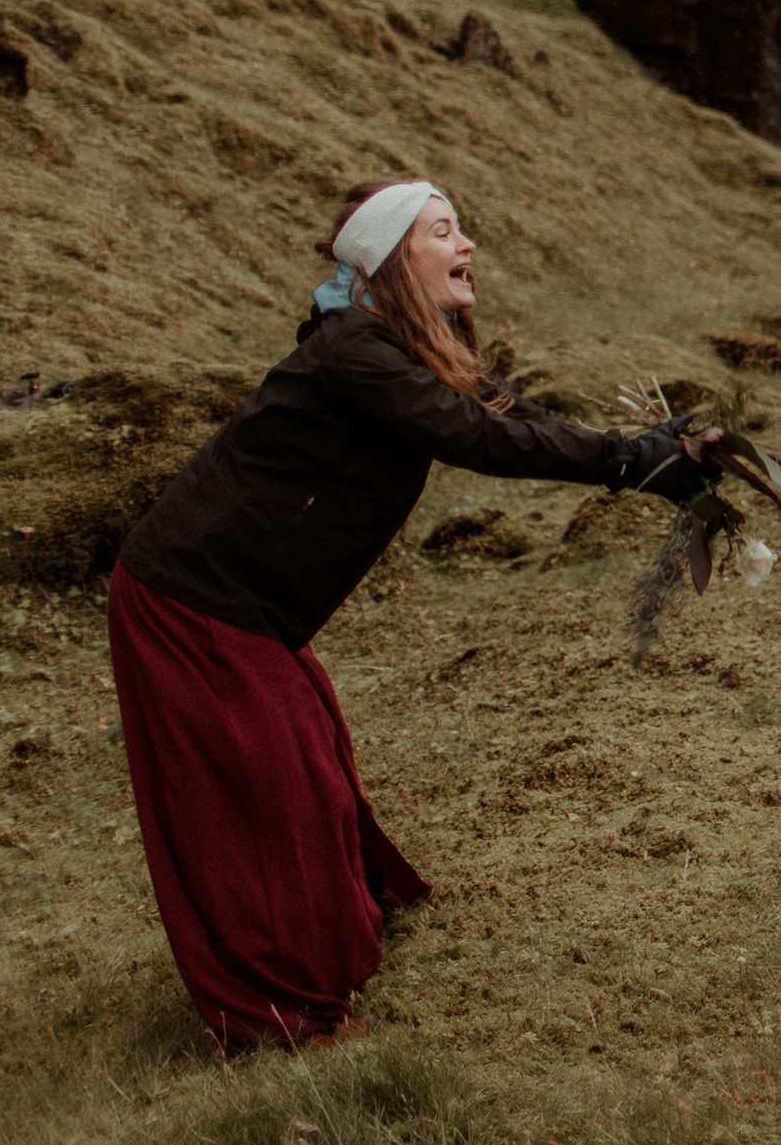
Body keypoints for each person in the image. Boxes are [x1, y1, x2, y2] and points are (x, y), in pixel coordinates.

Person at [106, 179, 715, 1046]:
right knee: (269, 791)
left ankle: (328, 933)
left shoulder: (400, 342)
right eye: (443, 230)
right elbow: (473, 437)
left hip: (249, 603)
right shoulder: (353, 352)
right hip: (190, 598)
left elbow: (500, 406)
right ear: (393, 256)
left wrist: (649, 454)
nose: (466, 243)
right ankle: (282, 1011)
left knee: (308, 764)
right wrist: (627, 463)